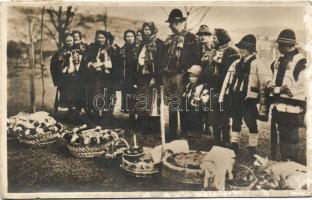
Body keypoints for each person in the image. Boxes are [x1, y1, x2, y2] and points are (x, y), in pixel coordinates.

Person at [219, 34, 270, 155]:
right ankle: (234, 143)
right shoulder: (236, 63)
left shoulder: (257, 64)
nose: (241, 50)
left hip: (249, 99)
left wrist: (266, 90)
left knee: (251, 122)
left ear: (251, 50)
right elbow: (227, 79)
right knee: (236, 121)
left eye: (244, 48)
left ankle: (252, 146)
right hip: (235, 96)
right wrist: (223, 95)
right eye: (241, 47)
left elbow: (265, 80)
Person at [266, 29, 307, 162]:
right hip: (278, 106)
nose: (278, 47)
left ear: (290, 45)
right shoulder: (278, 61)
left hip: (292, 108)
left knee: (291, 136)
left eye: (281, 44)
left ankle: (292, 163)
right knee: (281, 134)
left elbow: (301, 86)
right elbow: (273, 79)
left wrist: (282, 90)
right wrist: (272, 86)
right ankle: (285, 162)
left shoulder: (301, 63)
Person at [163, 8, 197, 141]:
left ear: (176, 22)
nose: (170, 26)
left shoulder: (190, 37)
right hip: (169, 75)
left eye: (171, 23)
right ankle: (172, 133)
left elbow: (195, 56)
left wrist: (186, 71)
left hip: (181, 75)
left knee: (182, 104)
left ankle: (184, 133)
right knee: (172, 104)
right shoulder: (170, 39)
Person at [207, 28, 240, 146]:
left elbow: (234, 71)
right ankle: (216, 139)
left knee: (224, 113)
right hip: (213, 87)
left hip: (225, 89)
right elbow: (208, 68)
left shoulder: (232, 52)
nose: (213, 40)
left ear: (221, 38)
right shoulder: (213, 51)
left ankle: (226, 139)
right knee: (213, 113)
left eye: (214, 38)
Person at [81, 30, 120, 124]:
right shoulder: (92, 48)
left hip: (109, 77)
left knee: (109, 96)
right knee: (96, 95)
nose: (100, 40)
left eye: (102, 37)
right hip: (96, 77)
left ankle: (108, 117)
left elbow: (115, 63)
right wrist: (91, 64)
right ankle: (96, 116)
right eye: (99, 37)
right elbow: (85, 60)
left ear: (106, 38)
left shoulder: (111, 49)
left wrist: (102, 64)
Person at [135, 22, 165, 133]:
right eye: (145, 30)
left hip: (152, 77)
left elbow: (160, 63)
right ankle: (144, 126)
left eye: (148, 30)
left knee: (153, 102)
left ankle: (155, 128)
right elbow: (139, 60)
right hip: (142, 76)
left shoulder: (158, 43)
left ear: (153, 30)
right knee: (143, 100)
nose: (146, 32)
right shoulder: (143, 43)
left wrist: (155, 77)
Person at [50, 32, 86, 116]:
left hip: (78, 76)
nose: (69, 42)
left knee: (79, 90)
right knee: (68, 91)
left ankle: (78, 109)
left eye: (71, 40)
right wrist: (63, 60)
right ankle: (70, 110)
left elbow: (84, 61)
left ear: (73, 41)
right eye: (67, 41)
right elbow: (54, 64)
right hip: (66, 78)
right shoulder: (60, 52)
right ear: (64, 41)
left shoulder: (79, 50)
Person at [181, 65, 209, 139]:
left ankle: (197, 137)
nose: (192, 79)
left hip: (197, 109)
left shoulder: (203, 86)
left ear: (199, 77)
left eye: (194, 77)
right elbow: (186, 94)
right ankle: (188, 136)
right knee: (188, 121)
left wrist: (200, 100)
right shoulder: (188, 85)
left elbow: (206, 97)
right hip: (189, 107)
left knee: (197, 123)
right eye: (190, 76)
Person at [120, 30, 139, 126]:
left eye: (131, 36)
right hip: (126, 77)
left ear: (134, 37)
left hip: (135, 76)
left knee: (136, 97)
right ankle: (131, 118)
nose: (129, 38)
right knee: (128, 97)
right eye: (127, 36)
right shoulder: (123, 50)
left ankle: (137, 118)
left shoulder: (138, 49)